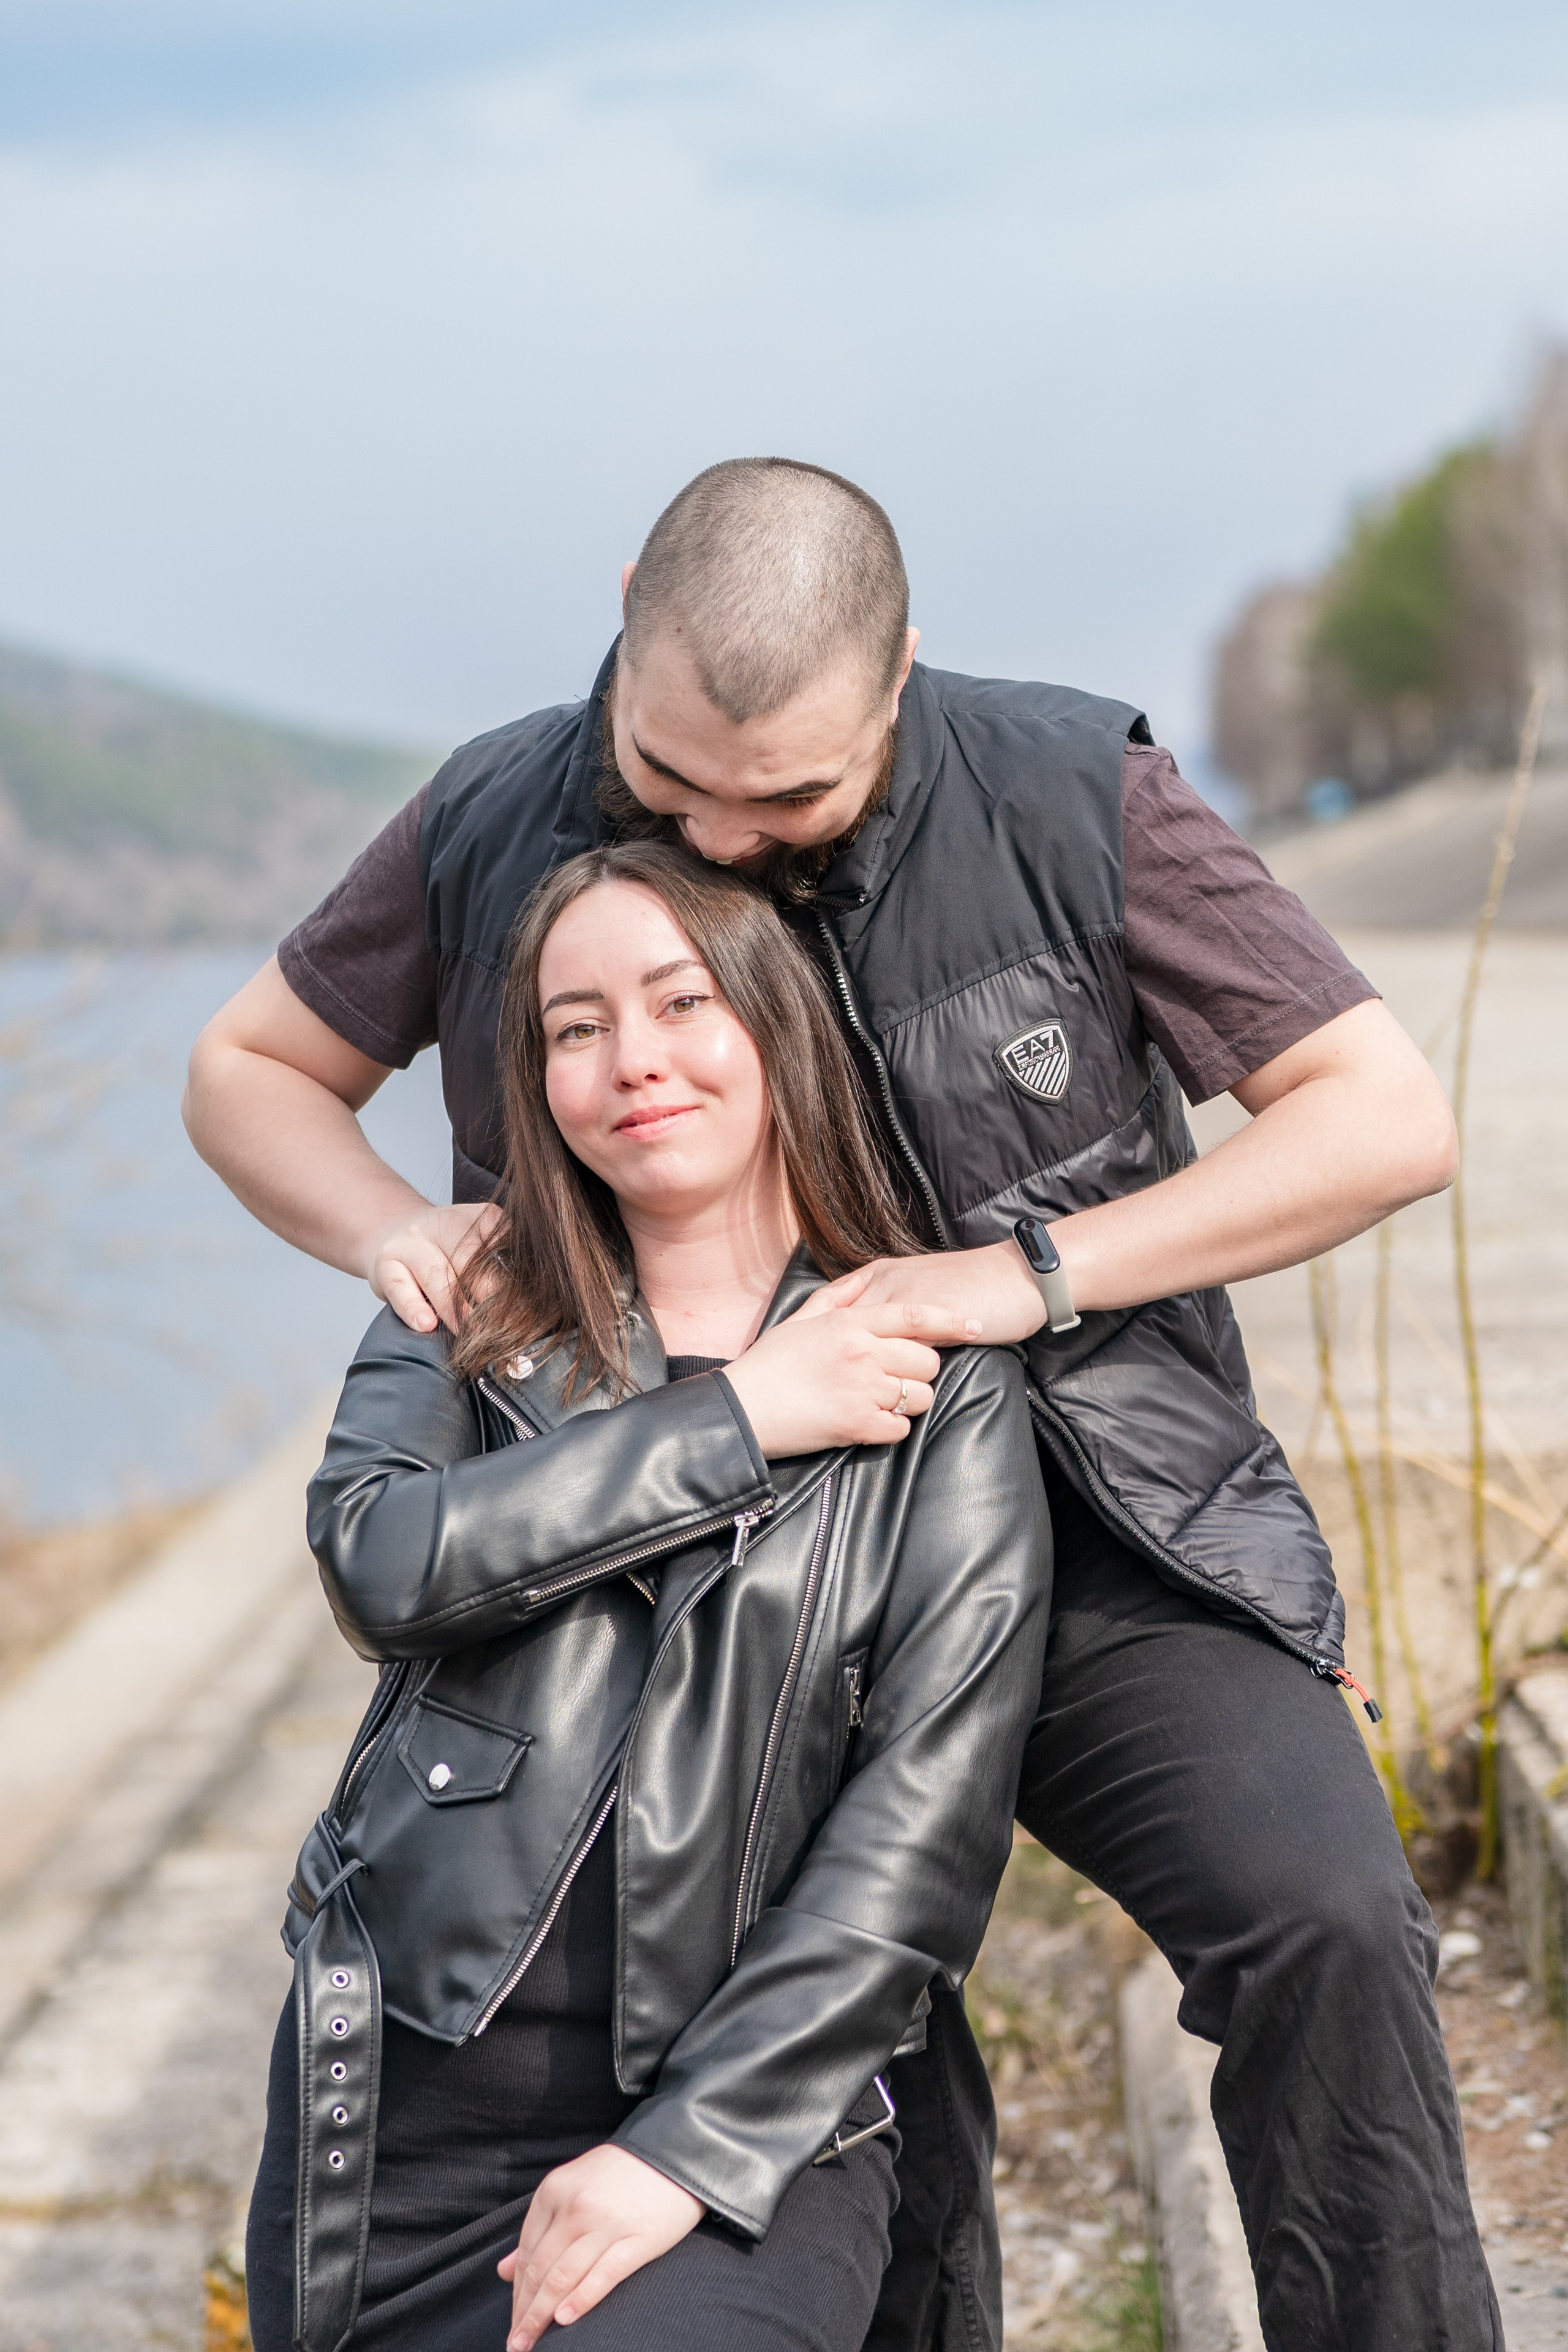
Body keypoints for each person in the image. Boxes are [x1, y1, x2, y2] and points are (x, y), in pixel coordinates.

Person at [188, 458, 1499, 2350]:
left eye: (787, 793)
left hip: (1088, 1511)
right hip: (698, 1575)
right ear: (626, 610)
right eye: (667, 780)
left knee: (1323, 1913)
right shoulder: (493, 807)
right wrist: (414, 1237)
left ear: (899, 680)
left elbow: (1387, 1117)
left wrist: (1023, 1275)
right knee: (862, 2072)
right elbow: (248, 1070)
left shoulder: (1069, 790)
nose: (717, 843)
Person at [243, 843, 1050, 2352]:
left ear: (773, 1024)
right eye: (573, 1026)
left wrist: (681, 2150)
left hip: (751, 2125)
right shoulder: (468, 1304)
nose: (632, 1062)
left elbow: (924, 1829)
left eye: (680, 1002)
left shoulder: (938, 1382)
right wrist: (738, 1418)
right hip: (403, 2110)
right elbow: (384, 1560)